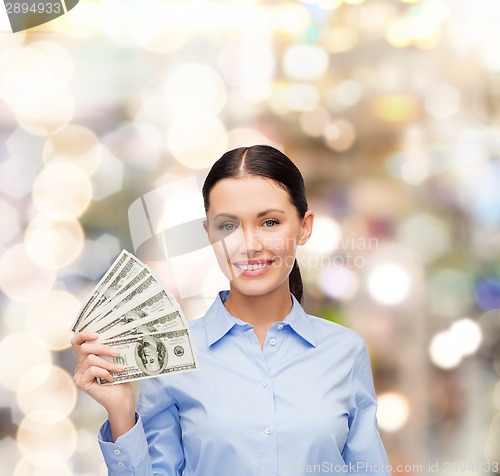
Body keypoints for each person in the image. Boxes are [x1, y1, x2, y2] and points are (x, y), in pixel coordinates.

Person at [71, 145, 391, 476]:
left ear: (305, 227)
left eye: (269, 222)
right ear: (208, 233)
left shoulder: (344, 351)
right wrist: (121, 413)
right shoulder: (172, 357)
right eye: (228, 226)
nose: (250, 245)